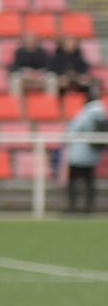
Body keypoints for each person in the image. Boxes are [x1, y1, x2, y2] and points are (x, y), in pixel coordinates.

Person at [64, 84, 107, 214]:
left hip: (79, 153)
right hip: (93, 154)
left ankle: (73, 207)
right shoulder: (102, 112)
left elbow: (73, 129)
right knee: (89, 182)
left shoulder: (86, 113)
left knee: (74, 182)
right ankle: (89, 207)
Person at [8, 34, 55, 98]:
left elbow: (49, 66)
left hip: (40, 75)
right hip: (25, 75)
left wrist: (40, 72)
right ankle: (16, 102)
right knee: (15, 78)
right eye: (28, 42)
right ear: (24, 42)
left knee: (52, 78)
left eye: (33, 41)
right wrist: (26, 71)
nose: (31, 43)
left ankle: (51, 101)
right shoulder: (19, 52)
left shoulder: (42, 52)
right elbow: (15, 66)